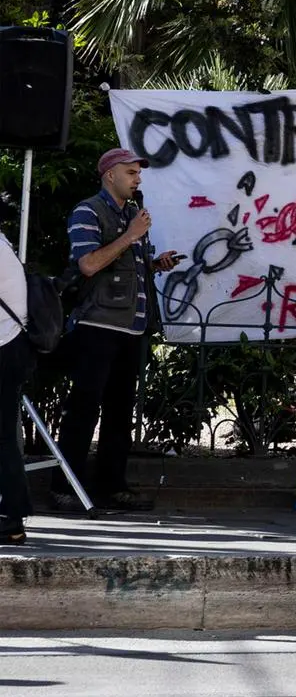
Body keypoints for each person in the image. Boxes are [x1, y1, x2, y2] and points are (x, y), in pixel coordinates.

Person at [52, 148, 183, 513]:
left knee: (119, 411)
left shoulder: (129, 215)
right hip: (97, 324)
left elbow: (124, 265)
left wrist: (155, 264)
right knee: (83, 409)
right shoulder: (88, 211)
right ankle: (65, 487)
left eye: (138, 173)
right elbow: (88, 264)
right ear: (110, 175)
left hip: (130, 326)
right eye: (131, 173)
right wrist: (130, 235)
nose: (137, 179)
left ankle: (111, 486)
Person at [0, 234, 31, 544]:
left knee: (3, 438)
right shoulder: (3, 244)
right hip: (11, 347)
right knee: (4, 437)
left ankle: (11, 518)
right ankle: (12, 518)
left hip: (3, 348)